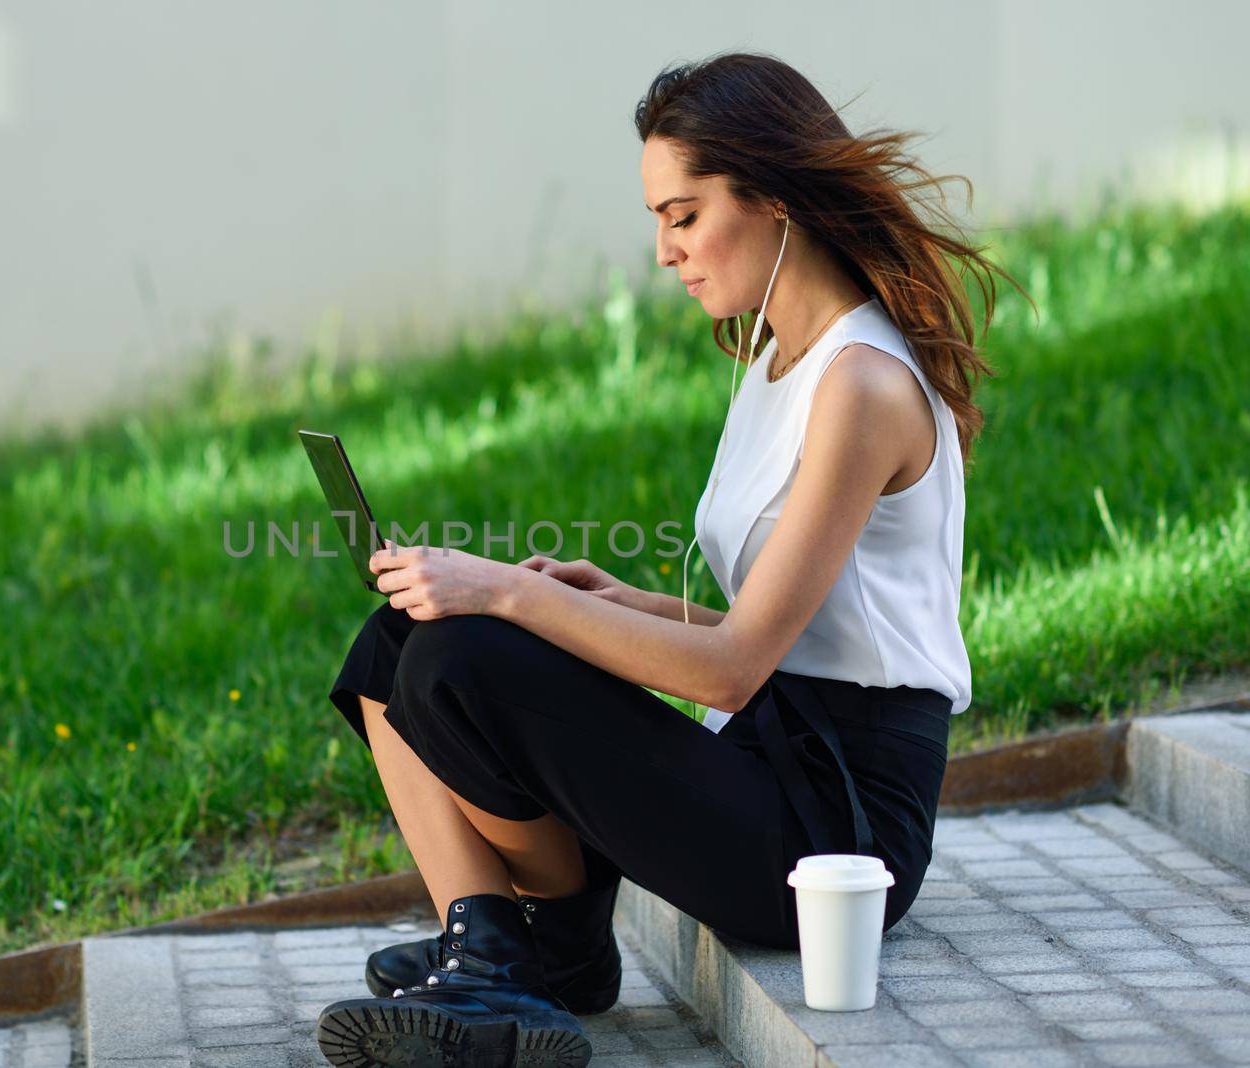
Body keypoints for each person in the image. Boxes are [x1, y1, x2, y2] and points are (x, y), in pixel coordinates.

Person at [313, 50, 1022, 1068]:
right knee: (396, 643)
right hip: (763, 751)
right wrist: (622, 601)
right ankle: (504, 948)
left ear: (771, 198)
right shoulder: (779, 360)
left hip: (836, 830)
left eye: (681, 215)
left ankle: (530, 956)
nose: (663, 251)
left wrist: (510, 594)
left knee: (464, 656)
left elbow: (739, 665)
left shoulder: (860, 385)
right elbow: (788, 634)